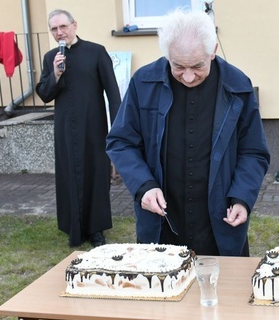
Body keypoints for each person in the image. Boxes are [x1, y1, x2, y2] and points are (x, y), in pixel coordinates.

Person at [106, 9, 270, 256]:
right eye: (178, 66)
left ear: (213, 51)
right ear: (167, 55)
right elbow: (121, 142)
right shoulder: (144, 83)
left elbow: (253, 152)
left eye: (197, 65)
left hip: (219, 220)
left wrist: (242, 198)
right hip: (161, 221)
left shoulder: (238, 86)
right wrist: (144, 186)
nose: (189, 76)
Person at [36, 9, 121, 248]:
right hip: (64, 128)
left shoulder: (96, 52)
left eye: (63, 26)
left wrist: (119, 128)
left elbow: (113, 93)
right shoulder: (51, 57)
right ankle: (73, 225)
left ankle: (96, 230)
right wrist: (55, 73)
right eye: (54, 29)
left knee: (95, 173)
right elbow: (44, 93)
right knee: (69, 174)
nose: (59, 32)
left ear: (75, 25)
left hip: (93, 125)